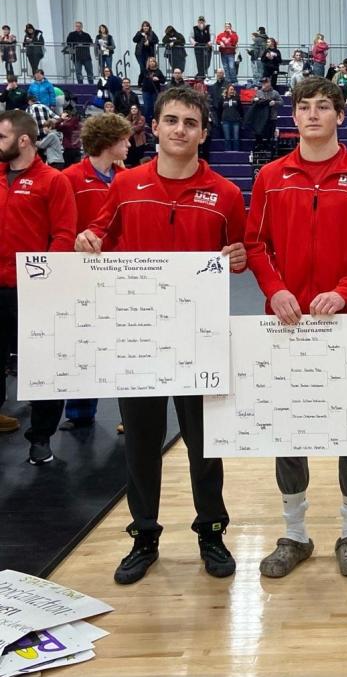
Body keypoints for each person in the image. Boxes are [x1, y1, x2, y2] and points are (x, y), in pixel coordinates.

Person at [75, 85, 247, 584]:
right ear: (154, 127)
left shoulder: (227, 194)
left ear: (203, 133)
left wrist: (237, 260)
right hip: (139, 341)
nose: (179, 130)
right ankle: (145, 534)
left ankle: (211, 532)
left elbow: (239, 254)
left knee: (203, 445)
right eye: (171, 120)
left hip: (200, 339)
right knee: (142, 446)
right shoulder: (126, 185)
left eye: (190, 123)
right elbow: (98, 237)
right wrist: (88, 242)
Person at [244, 76, 347, 579]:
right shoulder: (270, 176)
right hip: (285, 325)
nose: (313, 114)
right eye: (304, 106)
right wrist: (275, 289)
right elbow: (256, 244)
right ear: (293, 116)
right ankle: (295, 534)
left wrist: (346, 291)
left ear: (340, 115)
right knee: (289, 430)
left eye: (323, 106)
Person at [0, 110, 77, 453]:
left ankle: (41, 437)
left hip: (32, 292)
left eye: (2, 137)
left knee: (42, 364)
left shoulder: (53, 181)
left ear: (24, 140)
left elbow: (64, 235)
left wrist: (41, 280)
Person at [59, 112, 132, 429]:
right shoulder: (70, 178)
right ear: (110, 142)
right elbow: (64, 227)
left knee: (125, 344)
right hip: (83, 272)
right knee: (85, 340)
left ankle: (131, 415)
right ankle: (79, 411)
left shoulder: (127, 177)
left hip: (122, 270)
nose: (129, 145)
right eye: (125, 140)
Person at [250, 76, 281, 149]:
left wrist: (275, 102)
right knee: (259, 132)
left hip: (271, 116)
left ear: (269, 83)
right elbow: (252, 101)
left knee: (270, 133)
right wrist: (254, 100)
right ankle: (259, 145)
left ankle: (269, 145)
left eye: (265, 82)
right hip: (261, 117)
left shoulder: (275, 93)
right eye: (263, 83)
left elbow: (281, 102)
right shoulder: (258, 92)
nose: (263, 84)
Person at [137, 57, 166, 124]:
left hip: (155, 92)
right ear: (148, 63)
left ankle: (155, 122)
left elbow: (163, 80)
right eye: (150, 61)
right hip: (146, 91)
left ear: (155, 63)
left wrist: (158, 79)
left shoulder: (158, 71)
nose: (152, 62)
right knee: (147, 108)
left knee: (154, 107)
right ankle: (147, 123)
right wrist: (139, 86)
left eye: (153, 61)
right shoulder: (144, 70)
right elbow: (140, 78)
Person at [219, 84, 242, 151]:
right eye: (231, 89)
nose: (232, 91)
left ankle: (236, 153)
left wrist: (240, 118)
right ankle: (228, 154)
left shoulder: (237, 98)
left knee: (236, 138)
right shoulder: (222, 98)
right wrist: (220, 119)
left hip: (236, 121)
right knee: (227, 138)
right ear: (227, 90)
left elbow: (240, 109)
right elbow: (219, 110)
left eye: (233, 89)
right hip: (225, 121)